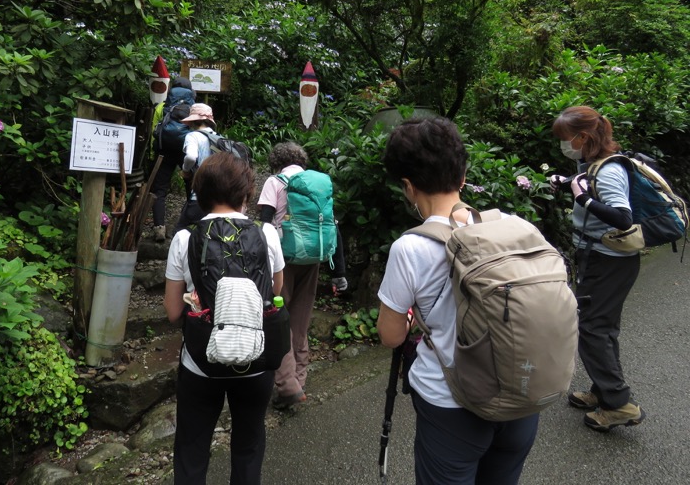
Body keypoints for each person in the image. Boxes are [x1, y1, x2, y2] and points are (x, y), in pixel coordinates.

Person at [376, 117, 539, 485]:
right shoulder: (513, 226)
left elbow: (390, 336)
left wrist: (415, 317)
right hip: (521, 394)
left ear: (408, 186)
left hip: (452, 405)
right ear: (462, 176)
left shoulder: (410, 247)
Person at [163, 152, 285, 485]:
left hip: (200, 362)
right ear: (246, 192)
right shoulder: (267, 234)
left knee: (192, 448)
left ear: (199, 192)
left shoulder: (184, 239)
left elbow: (174, 312)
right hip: (256, 359)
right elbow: (275, 292)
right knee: (248, 445)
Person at [551, 105, 645, 432]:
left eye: (566, 139)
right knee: (602, 327)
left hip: (609, 262)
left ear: (584, 137)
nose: (564, 145)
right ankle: (602, 390)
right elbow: (587, 186)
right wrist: (567, 182)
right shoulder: (592, 165)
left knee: (591, 329)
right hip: (601, 258)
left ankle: (619, 404)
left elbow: (622, 217)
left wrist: (583, 200)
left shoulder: (608, 170)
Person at [257, 142, 338, 409]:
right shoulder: (317, 184)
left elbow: (266, 221)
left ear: (276, 161)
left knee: (279, 318)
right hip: (313, 257)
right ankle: (300, 380)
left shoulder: (274, 181)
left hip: (284, 259)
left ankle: (287, 386)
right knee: (300, 320)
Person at [150, 76, 196, 241]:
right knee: (192, 189)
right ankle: (189, 227)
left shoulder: (162, 107)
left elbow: (153, 132)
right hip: (187, 150)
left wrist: (151, 154)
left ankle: (159, 229)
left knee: (159, 190)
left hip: (164, 150)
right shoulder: (194, 108)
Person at [173, 102, 217, 234]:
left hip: (199, 196)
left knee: (180, 232)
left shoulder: (192, 136)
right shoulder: (217, 138)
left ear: (193, 121)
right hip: (218, 197)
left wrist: (185, 171)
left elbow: (191, 157)